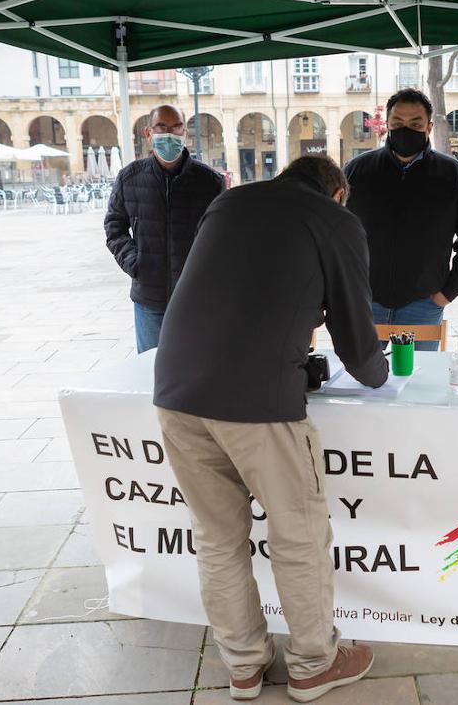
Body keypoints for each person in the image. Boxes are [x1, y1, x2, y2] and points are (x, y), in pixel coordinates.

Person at [154, 155, 387, 703]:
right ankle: (312, 664)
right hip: (257, 402)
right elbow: (356, 335)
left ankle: (243, 667)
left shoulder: (227, 202)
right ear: (338, 193)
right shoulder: (335, 221)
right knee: (298, 536)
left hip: (177, 390)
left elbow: (234, 296)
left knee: (217, 537)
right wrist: (378, 375)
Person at [344, 88, 458, 350]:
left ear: (429, 126)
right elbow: (334, 233)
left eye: (415, 123)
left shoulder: (453, 175)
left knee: (421, 380)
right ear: (387, 124)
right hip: (366, 299)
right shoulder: (357, 171)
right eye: (397, 123)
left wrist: (448, 292)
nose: (405, 129)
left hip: (424, 302)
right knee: (361, 381)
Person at [104, 104, 225, 353]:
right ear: (149, 133)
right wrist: (134, 263)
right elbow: (114, 226)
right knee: (151, 370)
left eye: (176, 127)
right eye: (162, 127)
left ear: (185, 133)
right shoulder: (130, 178)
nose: (169, 134)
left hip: (196, 297)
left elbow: (223, 236)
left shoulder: (210, 182)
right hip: (150, 297)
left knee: (196, 368)